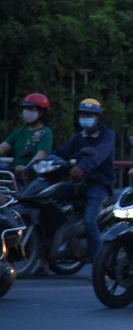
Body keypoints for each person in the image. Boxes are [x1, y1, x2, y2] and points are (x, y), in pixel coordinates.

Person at [52, 99, 115, 266]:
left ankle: (100, 266)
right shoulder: (78, 138)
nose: (85, 117)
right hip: (78, 185)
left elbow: (98, 155)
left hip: (99, 185)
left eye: (89, 114)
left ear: (98, 117)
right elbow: (60, 153)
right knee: (47, 199)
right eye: (83, 114)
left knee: (90, 221)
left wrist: (81, 166)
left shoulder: (108, 136)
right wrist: (36, 165)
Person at [0, 93, 53, 179]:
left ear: (41, 112)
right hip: (15, 178)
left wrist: (28, 168)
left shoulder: (45, 132)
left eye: (31, 109)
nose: (26, 112)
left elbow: (42, 154)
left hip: (32, 180)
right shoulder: (20, 132)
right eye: (25, 108)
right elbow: (2, 148)